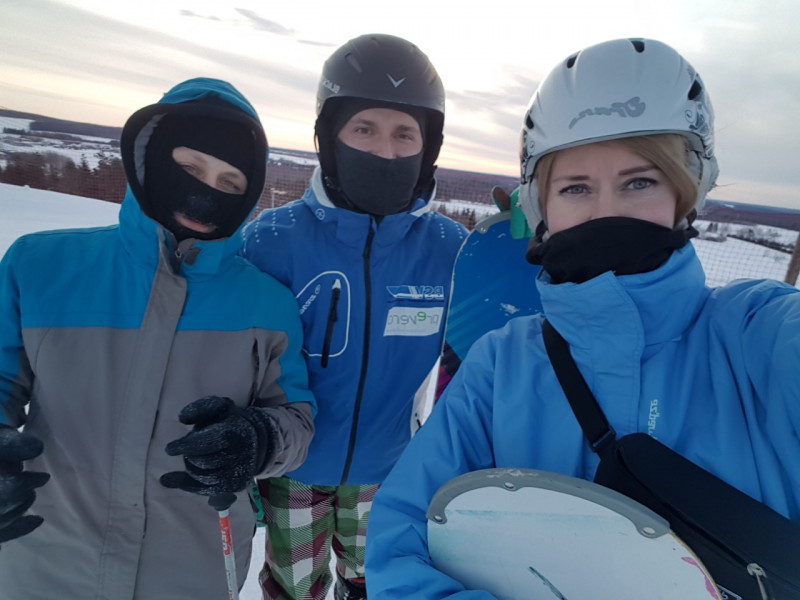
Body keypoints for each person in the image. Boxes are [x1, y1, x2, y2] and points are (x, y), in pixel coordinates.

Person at [364, 37, 800, 598]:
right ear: (541, 207)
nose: (605, 212)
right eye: (575, 188)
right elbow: (402, 538)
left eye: (639, 182)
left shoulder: (759, 335)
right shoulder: (502, 365)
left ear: (685, 190)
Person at [0, 77, 315, 599]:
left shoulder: (268, 304)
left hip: (195, 569)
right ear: (148, 160)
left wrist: (259, 438)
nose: (203, 193)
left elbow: (297, 420)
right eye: (189, 167)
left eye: (229, 182)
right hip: (46, 561)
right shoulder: (39, 266)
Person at [241, 33, 467, 600]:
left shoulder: (450, 250)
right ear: (328, 137)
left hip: (389, 470)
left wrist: (516, 252)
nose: (385, 152)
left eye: (404, 133)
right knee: (294, 587)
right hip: (292, 465)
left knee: (375, 585)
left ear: (428, 148)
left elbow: (503, 333)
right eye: (364, 129)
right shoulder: (272, 239)